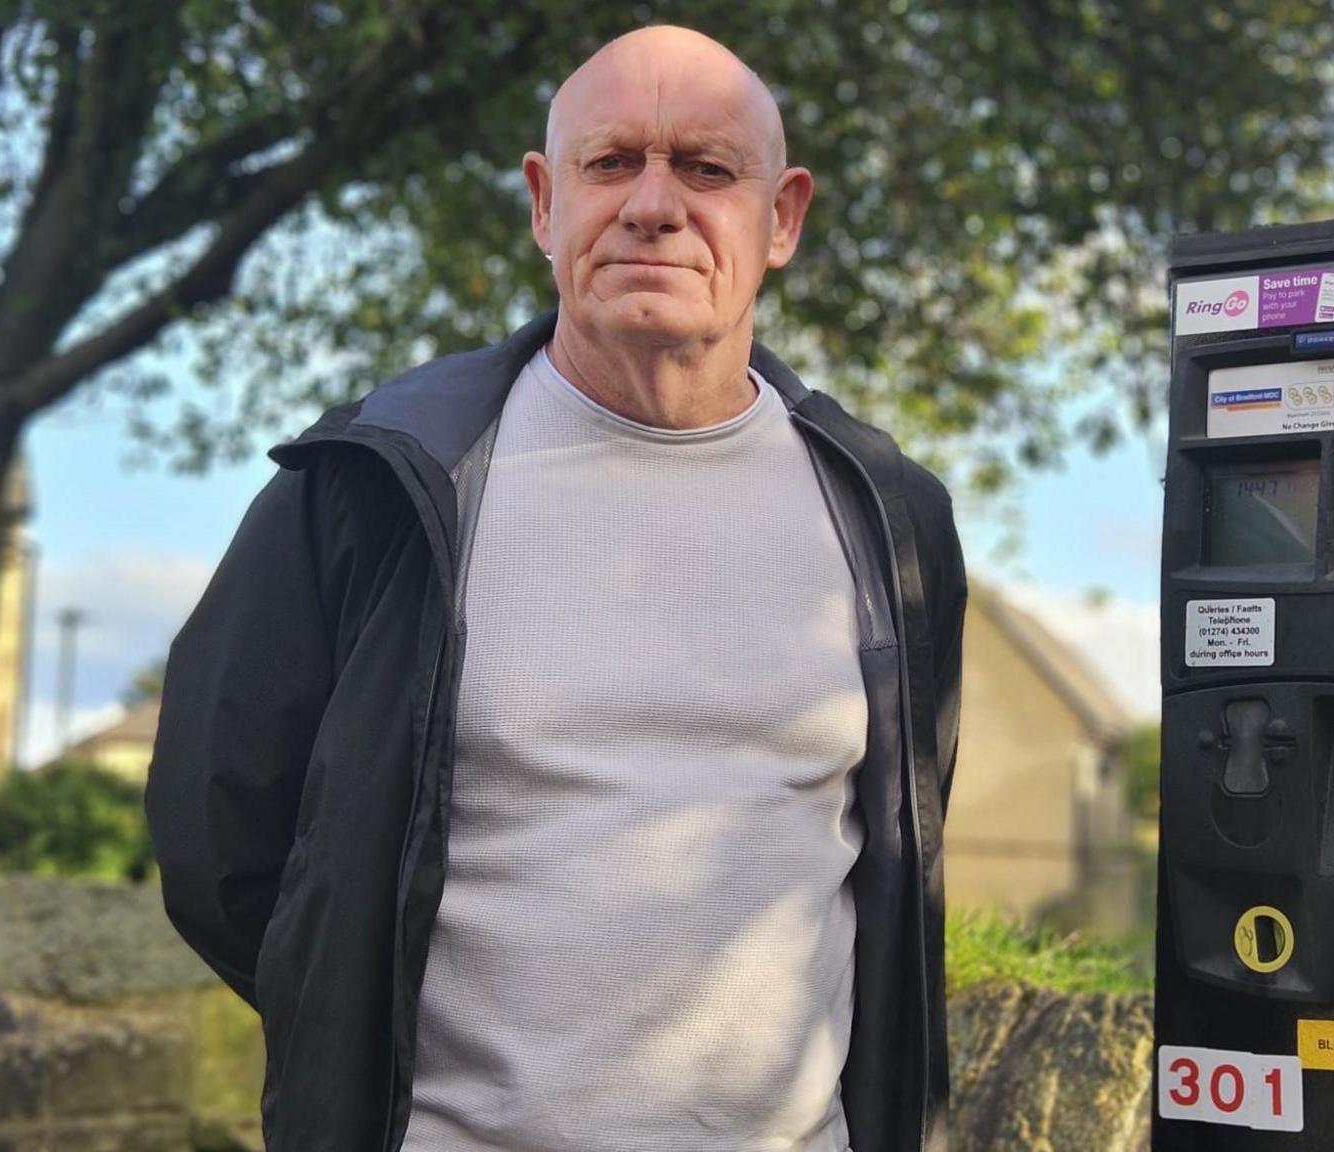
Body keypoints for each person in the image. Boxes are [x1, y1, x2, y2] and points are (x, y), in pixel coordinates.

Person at [145, 23, 966, 1152]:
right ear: (543, 202)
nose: (653, 206)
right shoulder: (377, 486)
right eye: (611, 161)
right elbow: (218, 843)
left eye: (707, 169)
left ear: (781, 218)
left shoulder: (889, 519)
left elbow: (894, 860)